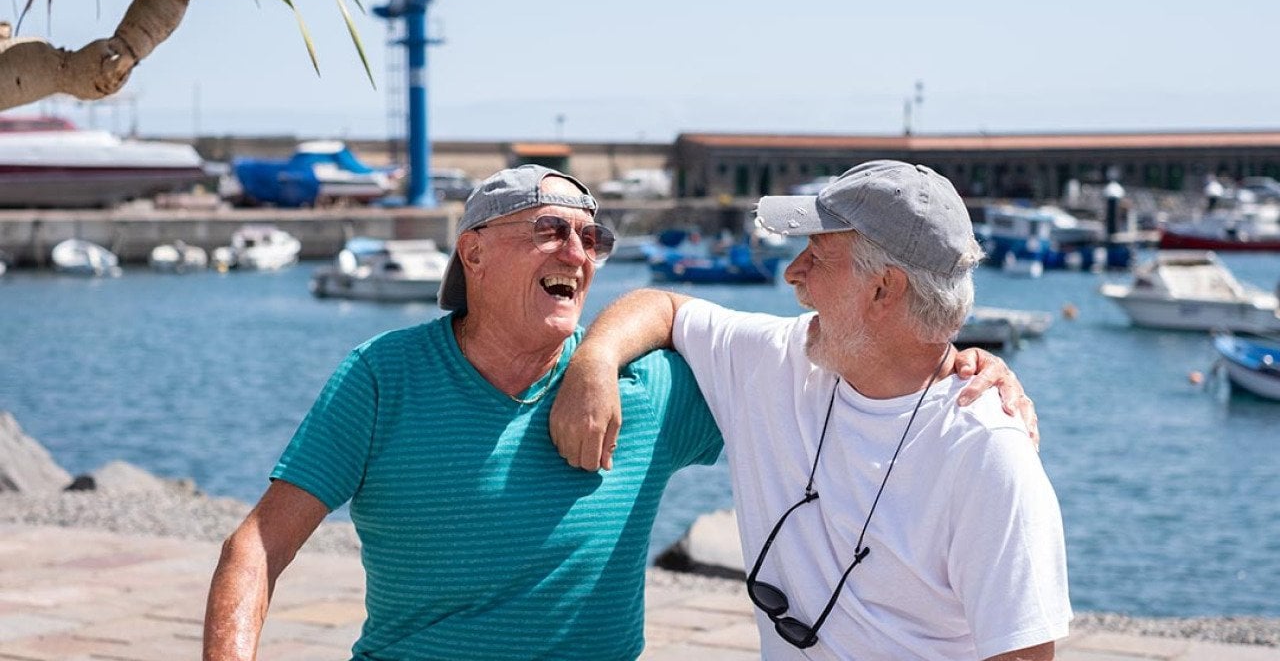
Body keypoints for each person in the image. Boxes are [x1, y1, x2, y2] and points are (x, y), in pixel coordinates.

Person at [203, 164, 1034, 660]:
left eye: (591, 239)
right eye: (551, 230)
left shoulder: (659, 390)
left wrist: (959, 361)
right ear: (475, 252)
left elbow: (870, 370)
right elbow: (256, 547)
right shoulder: (384, 378)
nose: (579, 251)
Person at [550, 160, 1071, 660]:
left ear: (883, 289)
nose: (793, 274)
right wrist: (594, 361)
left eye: (817, 256)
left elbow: (1023, 653)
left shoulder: (987, 451)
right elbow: (664, 307)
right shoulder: (785, 358)